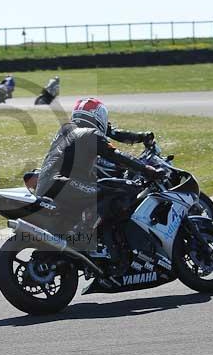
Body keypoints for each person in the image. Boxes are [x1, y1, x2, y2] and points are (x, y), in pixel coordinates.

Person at [35, 97, 164, 245]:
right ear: (96, 116)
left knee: (101, 186)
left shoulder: (68, 130)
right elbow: (115, 155)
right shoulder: (90, 134)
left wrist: (141, 137)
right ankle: (84, 235)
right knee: (112, 191)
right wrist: (145, 168)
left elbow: (113, 133)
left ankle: (87, 232)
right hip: (64, 184)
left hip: (49, 183)